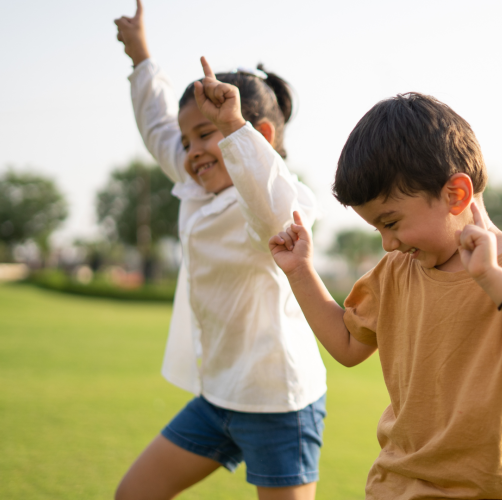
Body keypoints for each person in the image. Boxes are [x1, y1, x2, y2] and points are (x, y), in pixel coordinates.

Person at [268, 93, 502, 499]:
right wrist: (300, 271)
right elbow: (348, 345)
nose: (388, 244)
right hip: (395, 487)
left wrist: (491, 277)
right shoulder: (395, 272)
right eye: (378, 229)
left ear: (456, 194)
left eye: (392, 222)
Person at [113, 3, 327, 499]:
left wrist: (232, 125)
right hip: (218, 398)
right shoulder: (197, 187)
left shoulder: (275, 201)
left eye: (205, 134)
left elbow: (273, 208)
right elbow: (159, 130)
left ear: (261, 138)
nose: (190, 152)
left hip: (279, 403)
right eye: (189, 141)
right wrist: (142, 56)